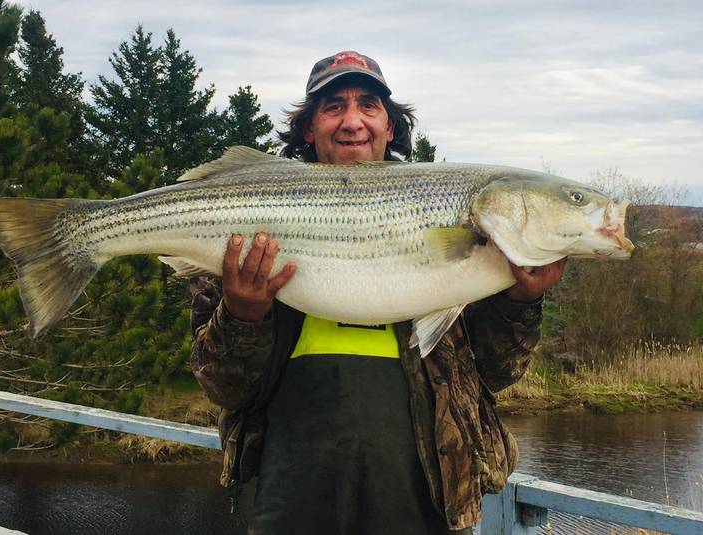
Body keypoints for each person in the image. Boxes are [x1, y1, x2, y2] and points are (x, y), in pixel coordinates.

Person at [189, 51, 565, 534]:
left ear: (391, 127)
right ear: (308, 128)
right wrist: (242, 315)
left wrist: (520, 303)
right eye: (332, 106)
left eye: (369, 105)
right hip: (288, 507)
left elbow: (497, 374)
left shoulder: (467, 226)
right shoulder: (247, 220)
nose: (352, 122)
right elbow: (224, 389)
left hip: (426, 505)